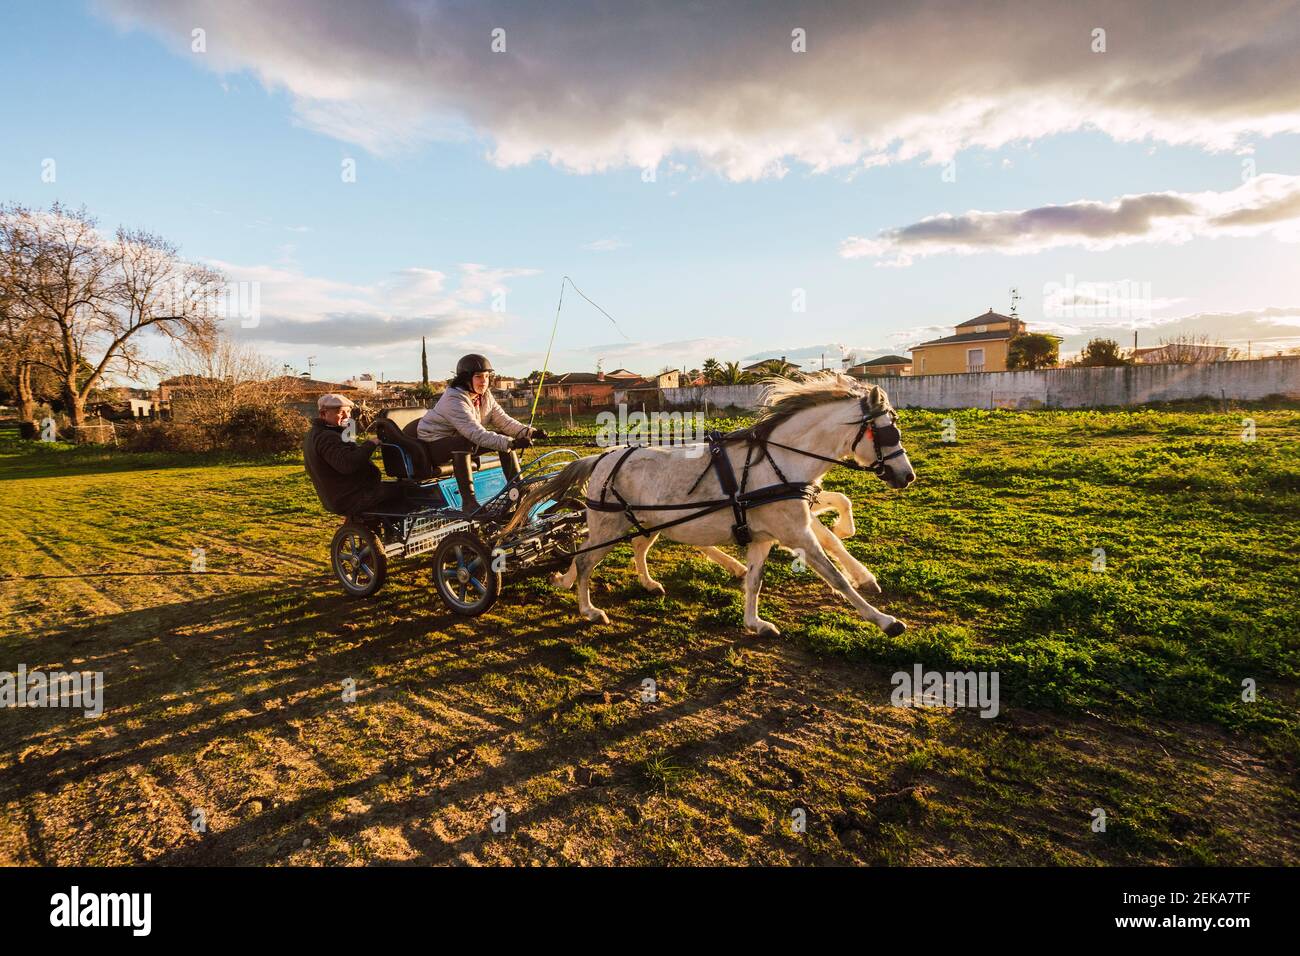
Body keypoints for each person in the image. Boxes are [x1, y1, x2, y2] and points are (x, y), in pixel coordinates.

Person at [417, 353, 547, 514]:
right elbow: (475, 433)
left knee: (500, 438)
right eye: (479, 376)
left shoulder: (484, 396)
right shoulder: (454, 399)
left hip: (462, 439)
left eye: (487, 376)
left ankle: (518, 488)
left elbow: (504, 421)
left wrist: (529, 432)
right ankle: (469, 502)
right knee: (465, 442)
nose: (484, 381)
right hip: (432, 445)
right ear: (466, 379)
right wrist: (512, 443)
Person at [303, 393, 403, 516]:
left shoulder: (318, 433)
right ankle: (395, 532)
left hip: (344, 494)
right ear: (323, 414)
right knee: (406, 491)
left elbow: (344, 456)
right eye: (340, 412)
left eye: (348, 412)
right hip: (349, 498)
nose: (347, 416)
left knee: (397, 490)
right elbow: (347, 464)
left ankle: (387, 527)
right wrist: (370, 444)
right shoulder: (326, 437)